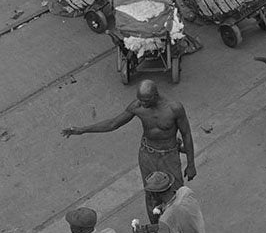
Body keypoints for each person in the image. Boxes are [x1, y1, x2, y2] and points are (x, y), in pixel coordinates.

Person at [62, 79, 195, 222]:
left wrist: (191, 164)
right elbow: (113, 123)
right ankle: (156, 228)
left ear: (155, 95)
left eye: (146, 101)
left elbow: (186, 134)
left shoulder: (174, 108)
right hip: (147, 155)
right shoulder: (137, 106)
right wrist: (83, 130)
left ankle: (181, 226)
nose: (142, 104)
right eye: (140, 100)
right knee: (151, 194)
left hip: (169, 156)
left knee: (175, 193)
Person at [122, 171, 206, 233]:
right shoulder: (185, 192)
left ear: (155, 194)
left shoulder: (166, 218)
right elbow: (176, 214)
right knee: (158, 228)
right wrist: (162, 207)